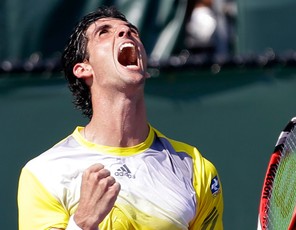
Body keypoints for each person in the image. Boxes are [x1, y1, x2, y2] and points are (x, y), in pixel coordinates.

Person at [17, 6, 223, 230]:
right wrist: (82, 222)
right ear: (83, 69)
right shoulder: (44, 173)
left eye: (132, 32)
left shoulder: (195, 168)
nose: (126, 33)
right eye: (103, 32)